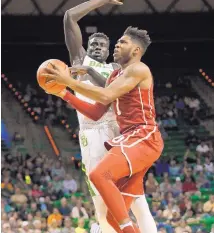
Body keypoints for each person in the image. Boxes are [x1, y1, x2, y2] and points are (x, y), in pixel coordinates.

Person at [43, 25, 163, 232]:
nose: (117, 44)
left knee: (99, 175)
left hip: (143, 135)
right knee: (114, 216)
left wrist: (69, 81)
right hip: (129, 139)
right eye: (118, 41)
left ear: (136, 51)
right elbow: (97, 112)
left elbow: (105, 96)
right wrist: (64, 93)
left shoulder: (138, 69)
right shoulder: (115, 76)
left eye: (123, 42)